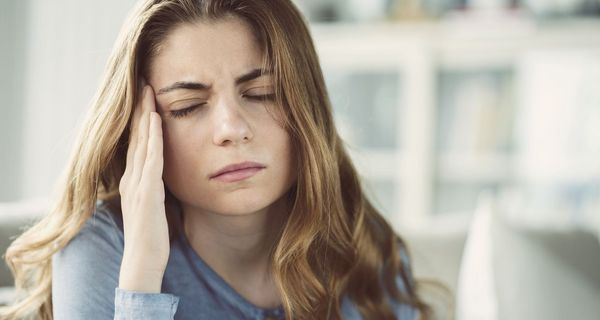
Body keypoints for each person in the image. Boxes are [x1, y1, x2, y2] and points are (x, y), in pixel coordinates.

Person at [1, 0, 432, 319]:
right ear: (139, 130)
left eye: (262, 94)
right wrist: (142, 276)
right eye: (188, 105)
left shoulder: (363, 243)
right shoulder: (101, 246)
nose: (232, 128)